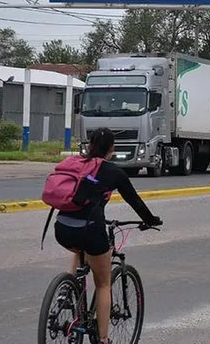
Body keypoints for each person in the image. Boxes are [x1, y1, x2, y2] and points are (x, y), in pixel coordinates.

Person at [53, 127, 162, 344]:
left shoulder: (76, 164)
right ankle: (103, 339)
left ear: (90, 145)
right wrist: (150, 220)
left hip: (62, 228)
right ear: (111, 149)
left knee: (79, 247)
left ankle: (68, 288)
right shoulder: (113, 172)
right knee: (103, 284)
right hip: (90, 230)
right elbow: (135, 201)